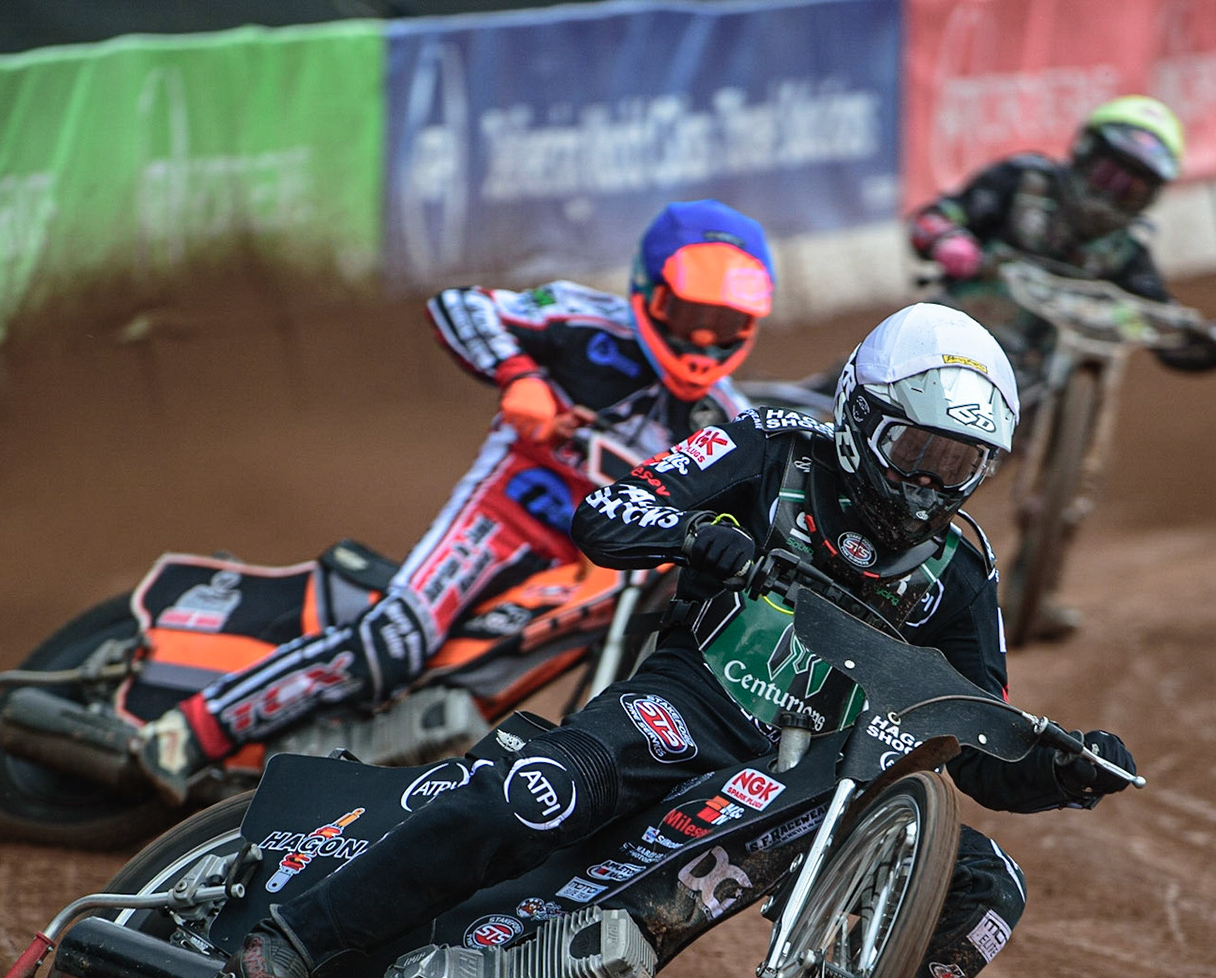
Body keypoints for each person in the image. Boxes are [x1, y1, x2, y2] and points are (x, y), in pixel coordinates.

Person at [225, 303, 1139, 978]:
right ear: (861, 416)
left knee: (989, 891)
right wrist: (694, 533)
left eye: (961, 464)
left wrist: (1063, 771)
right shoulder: (775, 447)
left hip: (819, 782)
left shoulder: (961, 575)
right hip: (689, 706)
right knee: (542, 792)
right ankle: (290, 940)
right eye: (917, 450)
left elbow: (975, 740)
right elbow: (610, 512)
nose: (932, 484)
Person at [133, 200, 776, 802]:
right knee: (397, 640)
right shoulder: (581, 320)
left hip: (591, 570)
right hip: (501, 516)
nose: (703, 341)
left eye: (726, 326)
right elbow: (458, 305)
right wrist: (521, 377)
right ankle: (191, 729)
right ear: (648, 291)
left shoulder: (729, 419)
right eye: (689, 316)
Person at [899, 95, 1216, 638]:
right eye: (1110, 174)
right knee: (887, 424)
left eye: (1132, 187)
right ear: (1084, 153)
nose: (1113, 193)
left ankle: (1037, 588)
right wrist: (948, 238)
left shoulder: (1126, 253)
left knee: (1088, 447)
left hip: (1055, 374)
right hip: (953, 344)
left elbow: (1163, 332)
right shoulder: (1022, 183)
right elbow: (937, 216)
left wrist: (1211, 342)